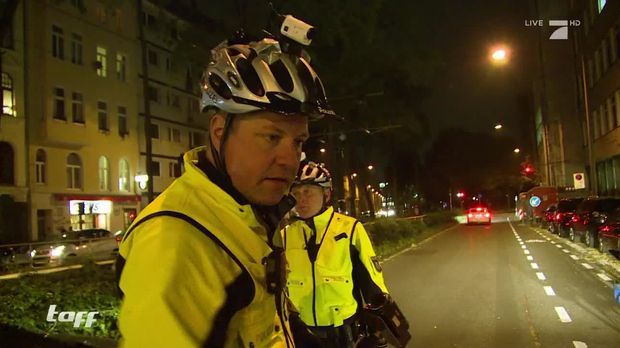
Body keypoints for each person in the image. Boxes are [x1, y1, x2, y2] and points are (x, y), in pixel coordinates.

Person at [115, 27, 336, 347]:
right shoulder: (176, 243)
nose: (290, 160)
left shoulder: (246, 214)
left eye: (298, 141)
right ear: (220, 132)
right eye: (272, 137)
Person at [281, 161, 392, 347]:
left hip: (342, 334)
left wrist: (378, 325)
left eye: (308, 192)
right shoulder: (284, 236)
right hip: (301, 335)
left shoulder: (350, 229)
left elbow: (372, 280)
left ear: (326, 194)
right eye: (296, 193)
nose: (301, 199)